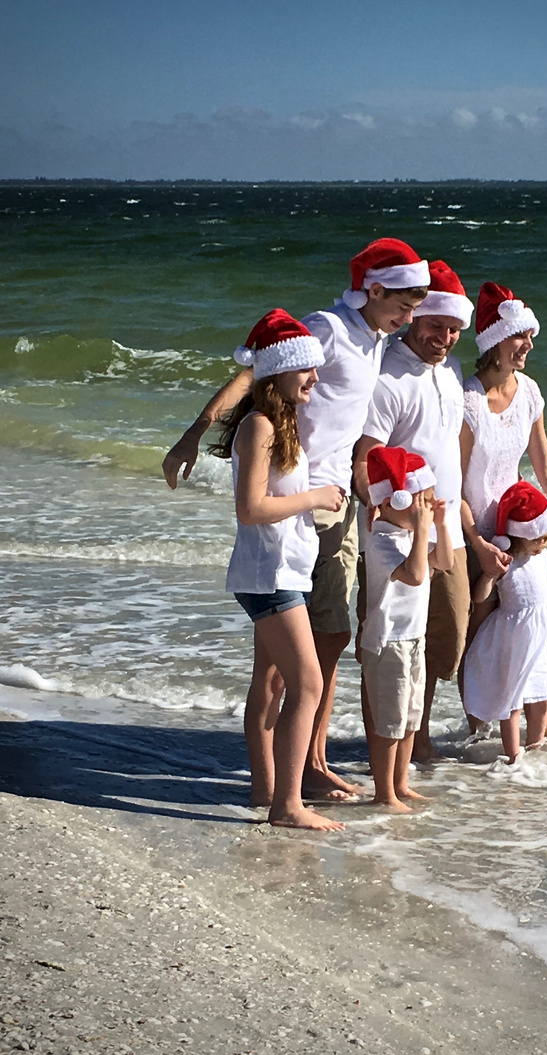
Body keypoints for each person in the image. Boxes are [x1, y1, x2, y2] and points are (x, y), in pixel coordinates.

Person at [162, 238, 430, 798]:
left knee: (317, 643)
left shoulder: (378, 339)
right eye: (406, 304)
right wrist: (194, 433)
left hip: (327, 510)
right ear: (375, 290)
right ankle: (298, 771)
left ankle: (298, 767)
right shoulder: (327, 329)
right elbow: (255, 369)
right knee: (309, 650)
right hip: (298, 507)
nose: (412, 316)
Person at [210, 310, 345, 830]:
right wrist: (315, 497)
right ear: (278, 371)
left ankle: (265, 789)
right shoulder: (261, 425)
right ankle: (288, 806)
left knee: (269, 682)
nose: (315, 378)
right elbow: (251, 509)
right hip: (270, 576)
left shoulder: (278, 421)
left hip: (279, 570)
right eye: (306, 370)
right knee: (307, 684)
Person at [460, 281, 547, 731]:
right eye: (520, 337)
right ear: (494, 342)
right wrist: (478, 544)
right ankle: (478, 734)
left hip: (521, 533)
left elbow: (545, 467)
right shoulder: (468, 401)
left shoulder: (530, 392)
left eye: (530, 337)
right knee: (477, 640)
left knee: (527, 627)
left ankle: (534, 727)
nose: (528, 345)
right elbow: (455, 485)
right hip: (474, 535)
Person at [353, 260, 474, 761]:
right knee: (389, 646)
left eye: (453, 330)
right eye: (436, 326)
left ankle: (410, 739)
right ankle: (396, 749)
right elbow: (364, 460)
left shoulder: (451, 370)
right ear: (415, 320)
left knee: (445, 642)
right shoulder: (387, 379)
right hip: (400, 537)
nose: (443, 338)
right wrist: (390, 514)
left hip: (447, 532)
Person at [462, 481, 547, 764]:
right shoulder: (507, 560)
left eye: (546, 539)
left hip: (540, 637)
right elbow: (480, 596)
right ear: (520, 536)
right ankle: (514, 758)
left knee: (541, 697)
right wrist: (487, 574)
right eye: (538, 540)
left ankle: (535, 750)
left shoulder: (543, 555)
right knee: (513, 701)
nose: (543, 545)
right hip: (515, 636)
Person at [361, 446, 453, 811]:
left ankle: (401, 783)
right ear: (394, 499)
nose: (426, 508)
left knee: (411, 716)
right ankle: (383, 792)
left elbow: (443, 561)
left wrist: (441, 526)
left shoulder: (410, 537)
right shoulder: (382, 542)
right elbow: (416, 575)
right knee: (390, 721)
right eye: (420, 501)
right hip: (388, 643)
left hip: (413, 639)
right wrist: (422, 531)